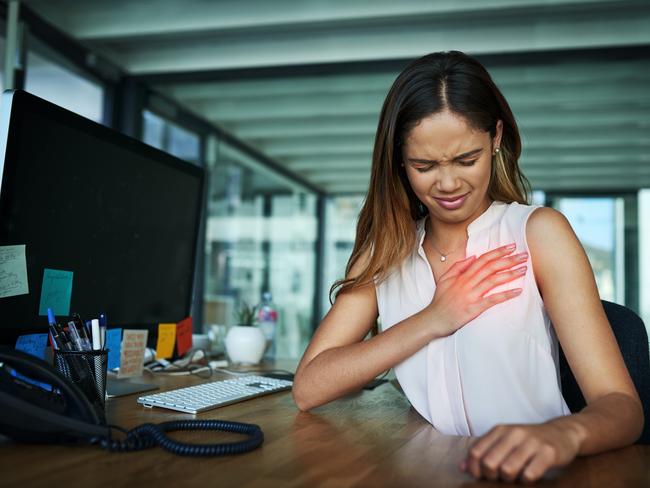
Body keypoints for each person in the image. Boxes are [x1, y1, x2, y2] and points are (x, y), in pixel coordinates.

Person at [292, 50, 644, 483]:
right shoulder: (387, 251)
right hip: (438, 469)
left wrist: (564, 434)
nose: (448, 184)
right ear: (399, 160)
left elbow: (622, 407)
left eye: (466, 159)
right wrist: (434, 319)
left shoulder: (538, 232)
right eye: (424, 165)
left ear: (496, 138)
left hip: (539, 474)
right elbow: (309, 388)